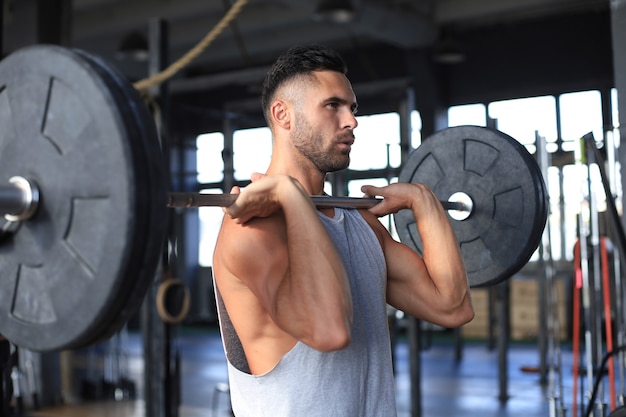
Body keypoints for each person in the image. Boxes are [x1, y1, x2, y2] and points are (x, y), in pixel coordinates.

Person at [211, 44, 474, 417]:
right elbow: (329, 331)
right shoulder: (252, 228)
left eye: (352, 108)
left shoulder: (359, 221)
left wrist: (425, 202)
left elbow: (453, 307)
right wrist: (290, 195)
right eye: (333, 105)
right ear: (282, 115)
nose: (351, 121)